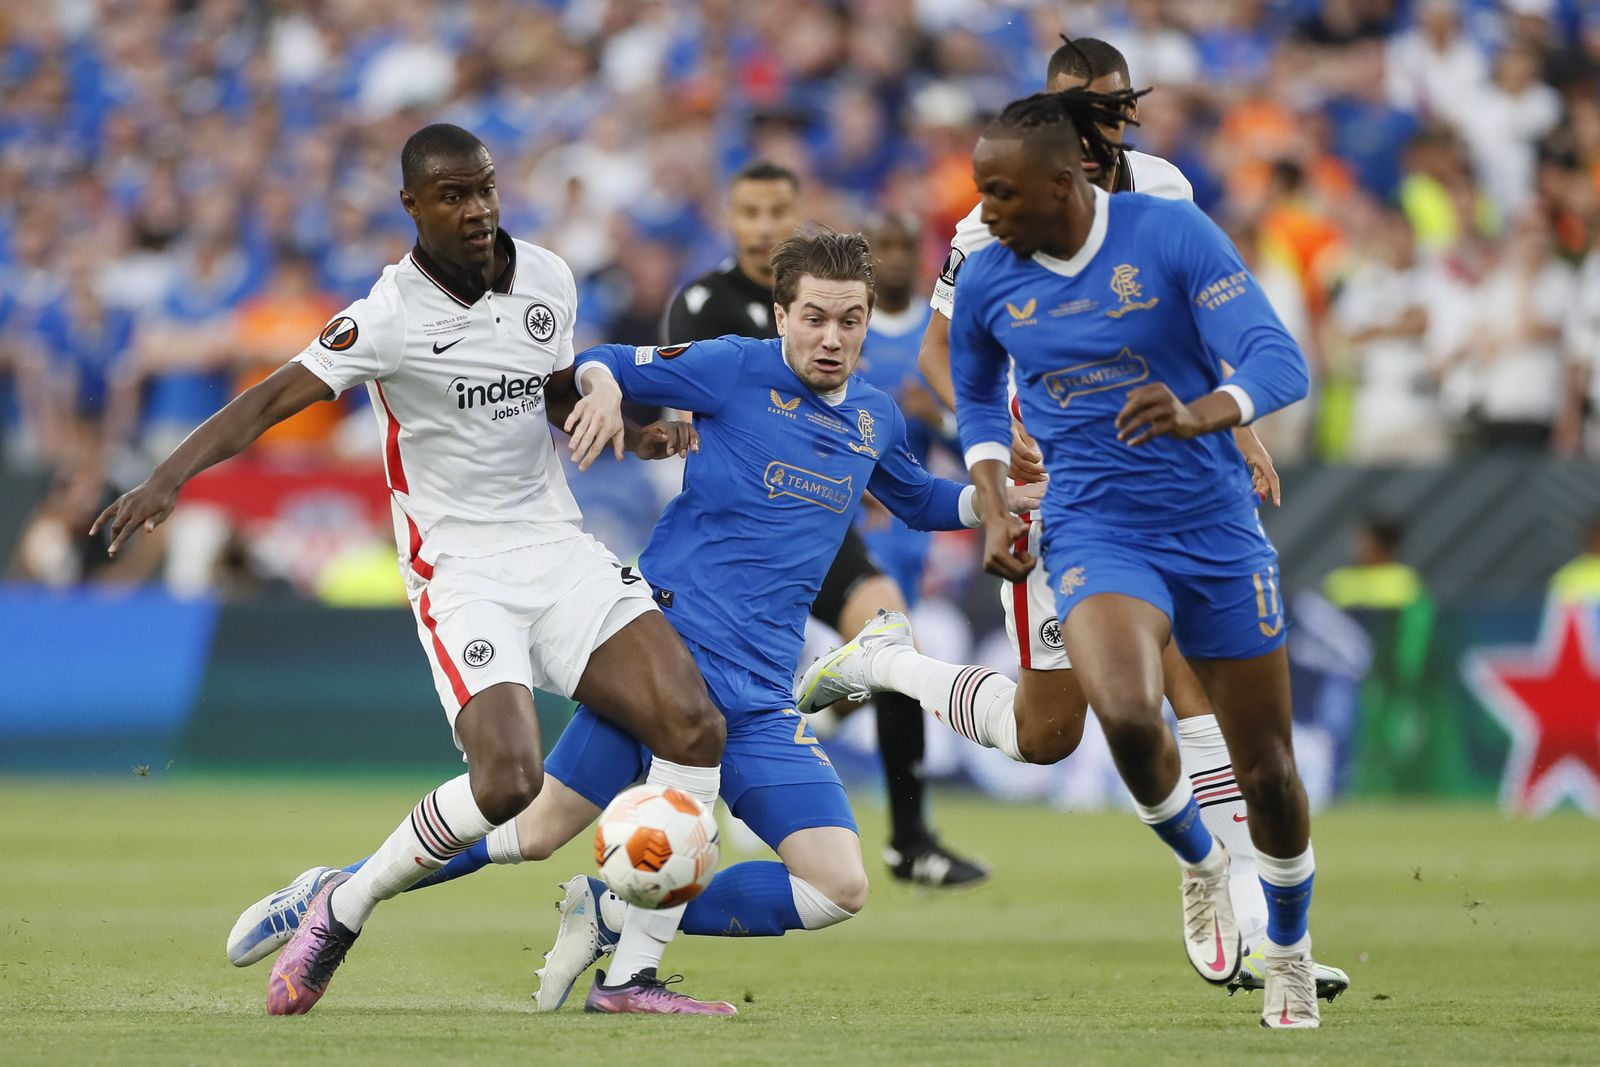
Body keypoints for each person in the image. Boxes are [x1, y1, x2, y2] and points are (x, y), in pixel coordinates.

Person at [225, 229, 1041, 1015]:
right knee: (534, 827)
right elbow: (605, 362)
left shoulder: (874, 416)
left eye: (851, 320)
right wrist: (609, 389)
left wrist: (993, 501)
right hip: (668, 656)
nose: (832, 338)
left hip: (760, 688)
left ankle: (610, 916)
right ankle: (349, 891)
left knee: (839, 886)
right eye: (815, 317)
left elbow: (917, 497)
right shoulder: (732, 368)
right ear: (783, 313)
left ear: (868, 321)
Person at [93, 124, 728, 1017]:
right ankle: (341, 906)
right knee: (508, 783)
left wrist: (635, 429)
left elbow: (545, 386)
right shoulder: (385, 315)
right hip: (460, 566)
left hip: (555, 542)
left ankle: (631, 980)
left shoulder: (547, 276)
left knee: (695, 725)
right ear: (413, 206)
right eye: (454, 196)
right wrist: (168, 476)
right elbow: (274, 396)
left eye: (487, 189)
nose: (477, 210)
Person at [896, 36, 1345, 1003]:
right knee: (1117, 715)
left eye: (1109, 106)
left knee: (1258, 764)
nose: (982, 213)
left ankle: (1286, 948)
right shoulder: (984, 252)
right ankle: (1201, 864)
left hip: (1210, 512)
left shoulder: (1169, 214)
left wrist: (1222, 418)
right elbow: (956, 379)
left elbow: (1261, 356)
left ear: (1075, 163)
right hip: (1085, 511)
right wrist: (992, 486)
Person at [664, 160, 987, 886]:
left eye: (778, 210)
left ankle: (909, 836)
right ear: (730, 218)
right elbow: (695, 411)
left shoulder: (828, 296)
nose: (764, 225)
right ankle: (701, 806)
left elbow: (858, 421)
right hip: (734, 536)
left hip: (817, 527)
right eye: (749, 212)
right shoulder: (705, 305)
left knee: (890, 631)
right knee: (700, 694)